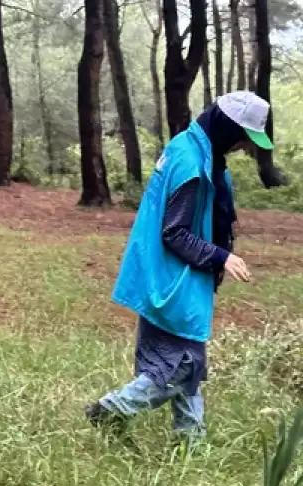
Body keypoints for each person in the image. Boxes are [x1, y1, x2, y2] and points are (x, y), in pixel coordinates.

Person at [85, 91, 273, 442]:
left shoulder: (195, 149)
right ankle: (112, 410)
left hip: (172, 275)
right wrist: (222, 257)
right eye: (242, 137)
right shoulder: (190, 161)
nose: (242, 146)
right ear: (226, 126)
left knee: (188, 358)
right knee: (180, 365)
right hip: (171, 278)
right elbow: (175, 232)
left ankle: (191, 440)